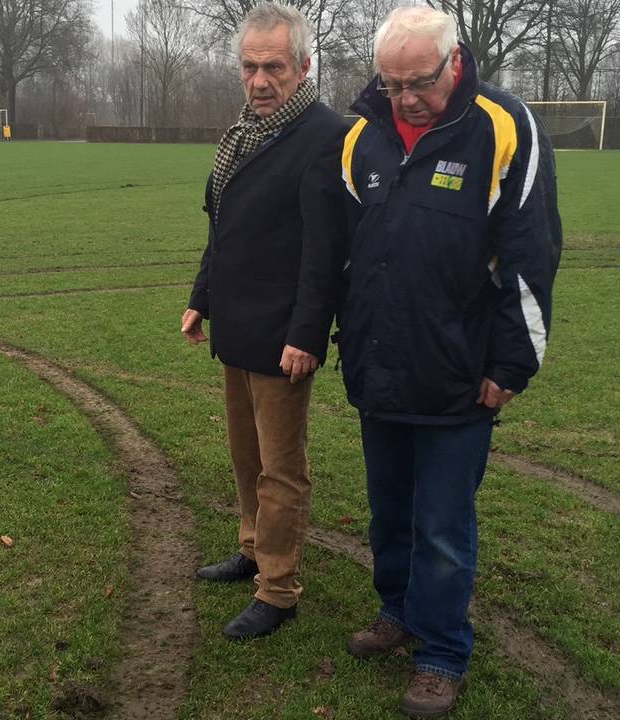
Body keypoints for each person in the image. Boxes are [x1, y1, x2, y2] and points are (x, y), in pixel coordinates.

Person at [335, 6, 562, 716]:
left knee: (441, 522)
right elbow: (349, 254)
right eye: (393, 82)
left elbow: (531, 256)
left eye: (421, 82)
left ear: (455, 62)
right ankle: (397, 612)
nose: (406, 97)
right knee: (389, 510)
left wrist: (510, 366)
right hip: (381, 369)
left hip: (461, 374)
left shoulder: (504, 127)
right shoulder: (362, 138)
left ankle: (440, 652)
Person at [180, 1, 348, 640]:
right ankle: (252, 548)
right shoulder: (243, 134)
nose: (259, 80)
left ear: (303, 66)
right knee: (244, 454)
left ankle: (278, 589)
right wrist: (203, 296)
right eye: (249, 67)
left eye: (273, 66)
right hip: (238, 324)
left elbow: (324, 250)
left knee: (281, 466)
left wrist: (307, 333)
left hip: (284, 336)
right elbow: (224, 228)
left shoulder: (326, 135)